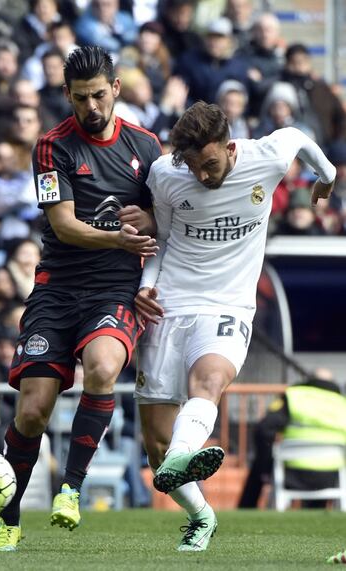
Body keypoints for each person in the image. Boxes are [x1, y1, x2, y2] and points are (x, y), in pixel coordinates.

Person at [134, 101, 336, 552]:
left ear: (229, 147)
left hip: (229, 305)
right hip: (170, 303)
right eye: (194, 167)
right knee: (156, 445)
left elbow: (300, 136)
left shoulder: (266, 155)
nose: (203, 177)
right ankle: (201, 515)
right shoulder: (166, 175)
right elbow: (163, 241)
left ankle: (184, 456)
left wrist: (327, 176)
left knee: (208, 382)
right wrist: (147, 286)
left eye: (209, 164)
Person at [0, 45, 161, 552]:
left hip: (114, 290)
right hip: (57, 289)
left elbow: (169, 219)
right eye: (81, 98)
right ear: (67, 95)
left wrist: (149, 228)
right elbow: (63, 226)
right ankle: (10, 517)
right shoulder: (51, 145)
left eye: (100, 95)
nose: (92, 107)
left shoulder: (147, 148)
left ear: (117, 89)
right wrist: (121, 237)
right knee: (33, 411)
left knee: (103, 367)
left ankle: (71, 490)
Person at [238, 368, 346, 509]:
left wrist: (265, 464)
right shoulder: (341, 402)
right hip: (332, 476)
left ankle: (247, 507)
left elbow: (263, 429)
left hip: (292, 473)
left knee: (259, 466)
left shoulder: (294, 396)